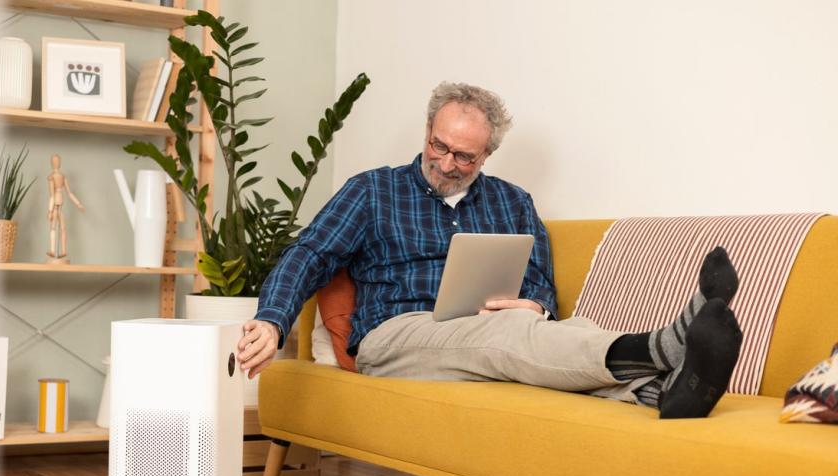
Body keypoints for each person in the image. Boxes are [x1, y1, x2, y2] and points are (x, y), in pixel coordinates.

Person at [237, 82, 743, 419]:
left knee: (547, 333)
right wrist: (272, 319)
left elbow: (541, 281)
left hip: (491, 333)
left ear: (488, 154)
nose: (446, 162)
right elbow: (309, 254)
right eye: (439, 145)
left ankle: (666, 394)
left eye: (465, 155)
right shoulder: (372, 191)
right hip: (396, 337)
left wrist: (536, 305)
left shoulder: (513, 202)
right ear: (427, 132)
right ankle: (661, 347)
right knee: (507, 336)